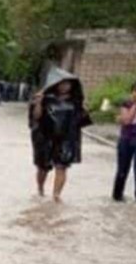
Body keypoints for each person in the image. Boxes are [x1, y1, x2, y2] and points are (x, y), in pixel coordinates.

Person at [30, 68, 92, 202]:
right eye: (62, 83)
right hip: (46, 137)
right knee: (43, 167)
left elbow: (82, 121)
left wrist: (85, 110)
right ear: (55, 84)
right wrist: (39, 103)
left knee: (61, 166)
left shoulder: (75, 101)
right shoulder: (46, 99)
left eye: (68, 83)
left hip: (66, 139)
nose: (65, 86)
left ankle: (56, 195)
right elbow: (36, 117)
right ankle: (40, 188)